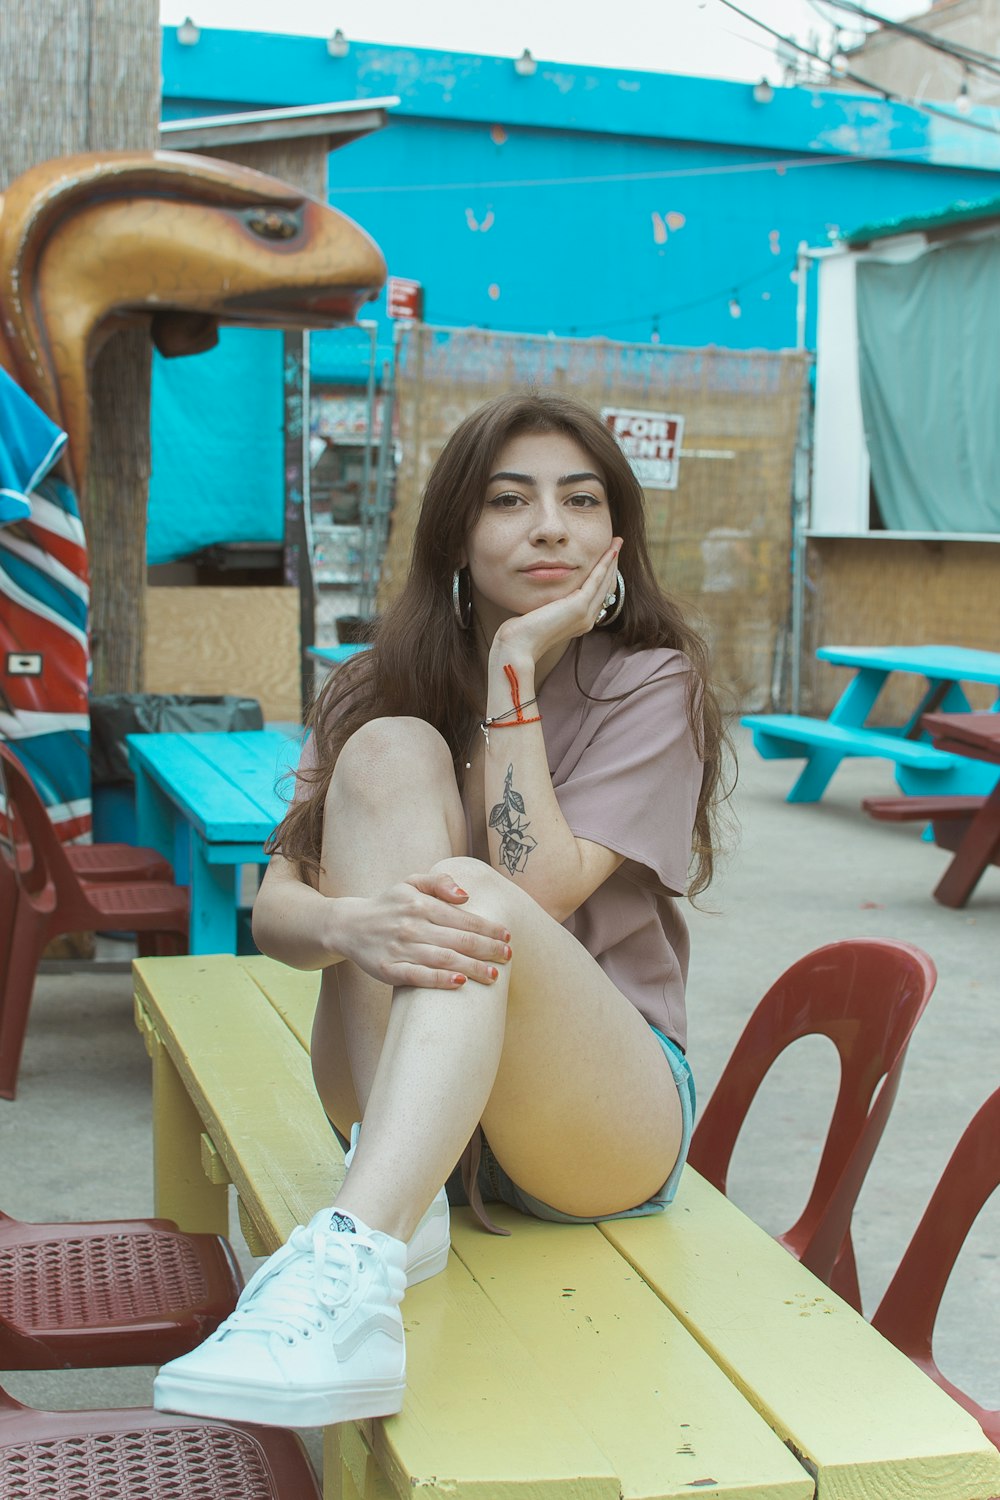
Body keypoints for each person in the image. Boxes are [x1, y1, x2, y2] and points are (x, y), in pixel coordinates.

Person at [153, 391, 730, 1430]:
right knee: (391, 747)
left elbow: (535, 892)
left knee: (475, 900)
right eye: (509, 499)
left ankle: (353, 1250)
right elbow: (278, 913)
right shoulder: (376, 683)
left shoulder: (650, 681)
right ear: (457, 533)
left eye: (581, 500)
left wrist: (513, 668)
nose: (549, 524)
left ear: (615, 536)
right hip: (394, 1102)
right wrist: (349, 926)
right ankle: (390, 1221)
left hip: (595, 1122)